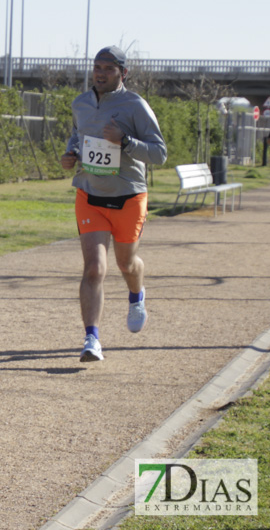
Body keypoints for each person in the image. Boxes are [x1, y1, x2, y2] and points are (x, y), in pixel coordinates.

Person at [60, 46, 167, 363]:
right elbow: (77, 137)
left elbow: (159, 153)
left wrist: (127, 141)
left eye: (108, 68)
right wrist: (70, 155)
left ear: (123, 73)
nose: (101, 73)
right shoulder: (80, 103)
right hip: (90, 195)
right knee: (94, 268)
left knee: (125, 264)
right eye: (97, 67)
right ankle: (91, 339)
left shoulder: (135, 105)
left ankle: (137, 295)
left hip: (128, 197)